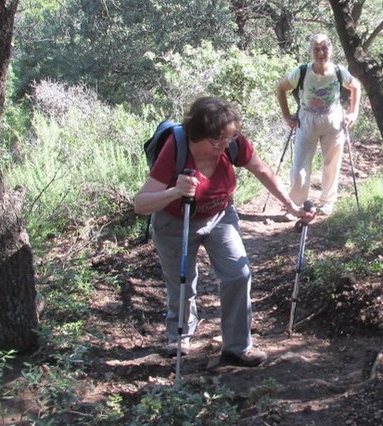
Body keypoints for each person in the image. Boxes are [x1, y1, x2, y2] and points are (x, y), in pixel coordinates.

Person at [134, 96, 314, 366]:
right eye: (216, 140)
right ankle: (179, 336)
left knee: (238, 275)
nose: (224, 145)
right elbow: (141, 203)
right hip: (175, 221)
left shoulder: (231, 142)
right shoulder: (177, 147)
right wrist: (176, 191)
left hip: (219, 215)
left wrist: (291, 206)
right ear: (198, 134)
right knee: (182, 281)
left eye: (228, 139)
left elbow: (261, 170)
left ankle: (237, 347)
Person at [276, 33, 362, 216]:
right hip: (306, 121)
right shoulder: (301, 71)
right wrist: (286, 116)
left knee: (331, 163)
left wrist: (353, 112)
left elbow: (355, 86)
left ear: (330, 49)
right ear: (311, 51)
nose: (320, 53)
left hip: (333, 120)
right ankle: (296, 205)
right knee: (299, 167)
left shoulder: (339, 71)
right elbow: (281, 88)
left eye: (324, 48)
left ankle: (327, 202)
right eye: (316, 49)